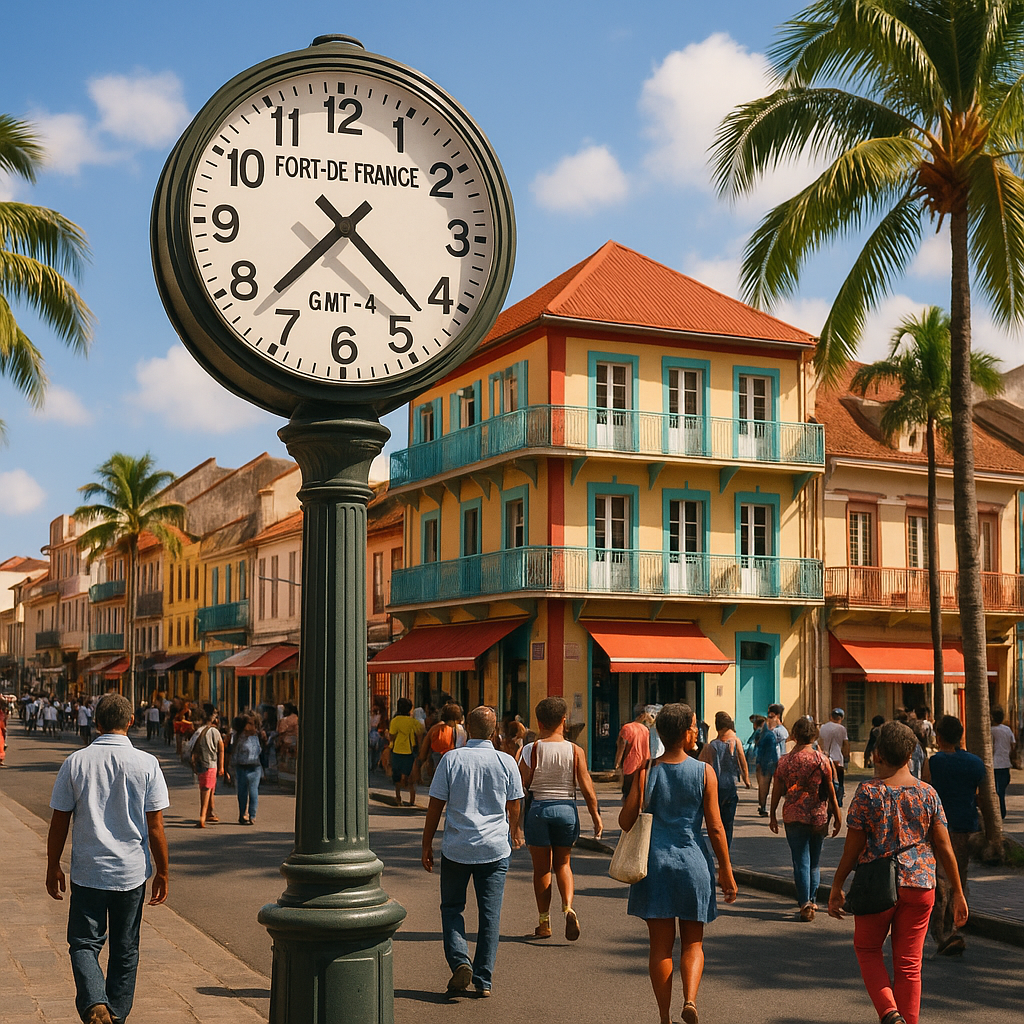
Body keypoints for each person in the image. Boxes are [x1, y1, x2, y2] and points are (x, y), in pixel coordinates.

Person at [828, 722, 968, 1024]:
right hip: (920, 886)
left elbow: (852, 850)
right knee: (909, 965)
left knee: (867, 949)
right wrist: (958, 892)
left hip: (877, 886)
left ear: (877, 754)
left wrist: (837, 886)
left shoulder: (868, 792)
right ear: (910, 755)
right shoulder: (928, 794)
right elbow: (944, 847)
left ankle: (890, 1014)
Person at [45, 693, 169, 1024]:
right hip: (130, 873)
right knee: (125, 949)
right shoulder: (147, 764)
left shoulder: (76, 762)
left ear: (96, 723)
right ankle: (115, 1013)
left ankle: (95, 1003)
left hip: (88, 871)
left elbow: (60, 820)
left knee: (84, 943)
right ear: (131, 721)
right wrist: (163, 872)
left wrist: (53, 864)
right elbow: (155, 828)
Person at [620, 703, 736, 1024]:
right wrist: (725, 871)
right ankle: (691, 1000)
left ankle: (663, 1017)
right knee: (693, 942)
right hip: (693, 862)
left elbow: (626, 821)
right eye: (695, 726)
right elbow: (714, 827)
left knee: (660, 947)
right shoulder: (704, 772)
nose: (697, 731)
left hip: (653, 866)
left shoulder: (646, 770)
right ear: (685, 733)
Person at [421, 706, 523, 998]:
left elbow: (435, 805)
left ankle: (460, 961)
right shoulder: (506, 762)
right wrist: (512, 829)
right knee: (490, 915)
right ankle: (483, 979)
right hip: (494, 848)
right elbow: (515, 804)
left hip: (456, 848)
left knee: (452, 908)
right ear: (494, 732)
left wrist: (427, 843)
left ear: (468, 730)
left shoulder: (452, 759)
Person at [517, 696, 603, 941]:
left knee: (542, 869)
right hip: (566, 808)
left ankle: (544, 922)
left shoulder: (530, 749)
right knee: (563, 864)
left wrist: (514, 824)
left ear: (538, 721)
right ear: (564, 721)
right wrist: (595, 816)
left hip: (539, 810)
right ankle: (568, 908)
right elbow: (586, 786)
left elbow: (518, 785)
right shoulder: (575, 751)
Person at [922, 714, 984, 956]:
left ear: (938, 737)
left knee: (940, 882)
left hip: (939, 829)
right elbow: (981, 796)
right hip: (965, 827)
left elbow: (927, 794)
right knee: (960, 879)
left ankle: (941, 934)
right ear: (961, 736)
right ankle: (955, 928)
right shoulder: (975, 763)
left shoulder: (933, 763)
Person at [769, 716, 841, 921]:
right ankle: (812, 899)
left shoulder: (784, 761)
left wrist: (772, 814)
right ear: (814, 735)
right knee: (815, 861)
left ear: (794, 735)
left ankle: (804, 903)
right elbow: (831, 790)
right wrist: (837, 815)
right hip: (818, 815)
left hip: (793, 815)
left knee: (800, 860)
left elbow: (777, 790)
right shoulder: (822, 760)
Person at [698, 711, 749, 848]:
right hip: (730, 786)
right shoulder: (735, 741)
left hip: (714, 786)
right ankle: (726, 846)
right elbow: (742, 761)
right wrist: (746, 779)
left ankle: (717, 846)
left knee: (716, 819)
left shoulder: (711, 745)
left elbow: (702, 764)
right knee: (728, 822)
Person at [187, 704, 224, 828]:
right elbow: (221, 748)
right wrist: (222, 766)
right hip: (211, 764)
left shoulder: (198, 731)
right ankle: (202, 816)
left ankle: (210, 812)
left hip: (200, 764)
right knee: (207, 790)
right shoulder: (215, 731)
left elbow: (191, 747)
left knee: (207, 787)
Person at [419, 702, 467, 784]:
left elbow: (423, 752)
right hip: (456, 768)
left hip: (436, 767)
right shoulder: (462, 731)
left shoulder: (435, 729)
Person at [389, 696, 424, 806]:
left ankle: (398, 796)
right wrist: (419, 748)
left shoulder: (395, 721)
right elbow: (420, 734)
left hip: (396, 750)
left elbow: (392, 736)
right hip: (409, 751)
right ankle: (412, 799)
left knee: (397, 775)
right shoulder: (413, 722)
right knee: (410, 776)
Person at [230, 712, 264, 825]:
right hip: (247, 766)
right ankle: (247, 814)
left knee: (249, 791)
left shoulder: (253, 736)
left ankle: (248, 814)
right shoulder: (242, 736)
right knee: (246, 792)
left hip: (250, 767)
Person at [614, 704, 652, 800]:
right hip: (642, 763)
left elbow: (621, 745)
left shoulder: (627, 728)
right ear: (642, 716)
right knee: (640, 791)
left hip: (630, 763)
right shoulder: (645, 730)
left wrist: (617, 762)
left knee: (627, 792)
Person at [818, 707, 850, 809]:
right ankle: (838, 801)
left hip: (825, 757)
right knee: (839, 781)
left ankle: (825, 800)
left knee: (825, 781)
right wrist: (846, 758)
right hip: (838, 759)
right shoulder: (842, 729)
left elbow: (820, 743)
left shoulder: (823, 727)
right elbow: (845, 745)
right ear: (841, 718)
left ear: (830, 717)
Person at [991, 706, 1017, 819]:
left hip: (994, 764)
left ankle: (1000, 812)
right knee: (1001, 790)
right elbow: (1013, 744)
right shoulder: (1007, 729)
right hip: (1005, 764)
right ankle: (1001, 812)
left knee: (996, 791)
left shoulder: (991, 731)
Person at [755, 713, 781, 816]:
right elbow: (771, 751)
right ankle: (763, 807)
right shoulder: (769, 735)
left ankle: (762, 806)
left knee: (763, 785)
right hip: (769, 762)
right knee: (766, 785)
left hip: (762, 761)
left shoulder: (761, 734)